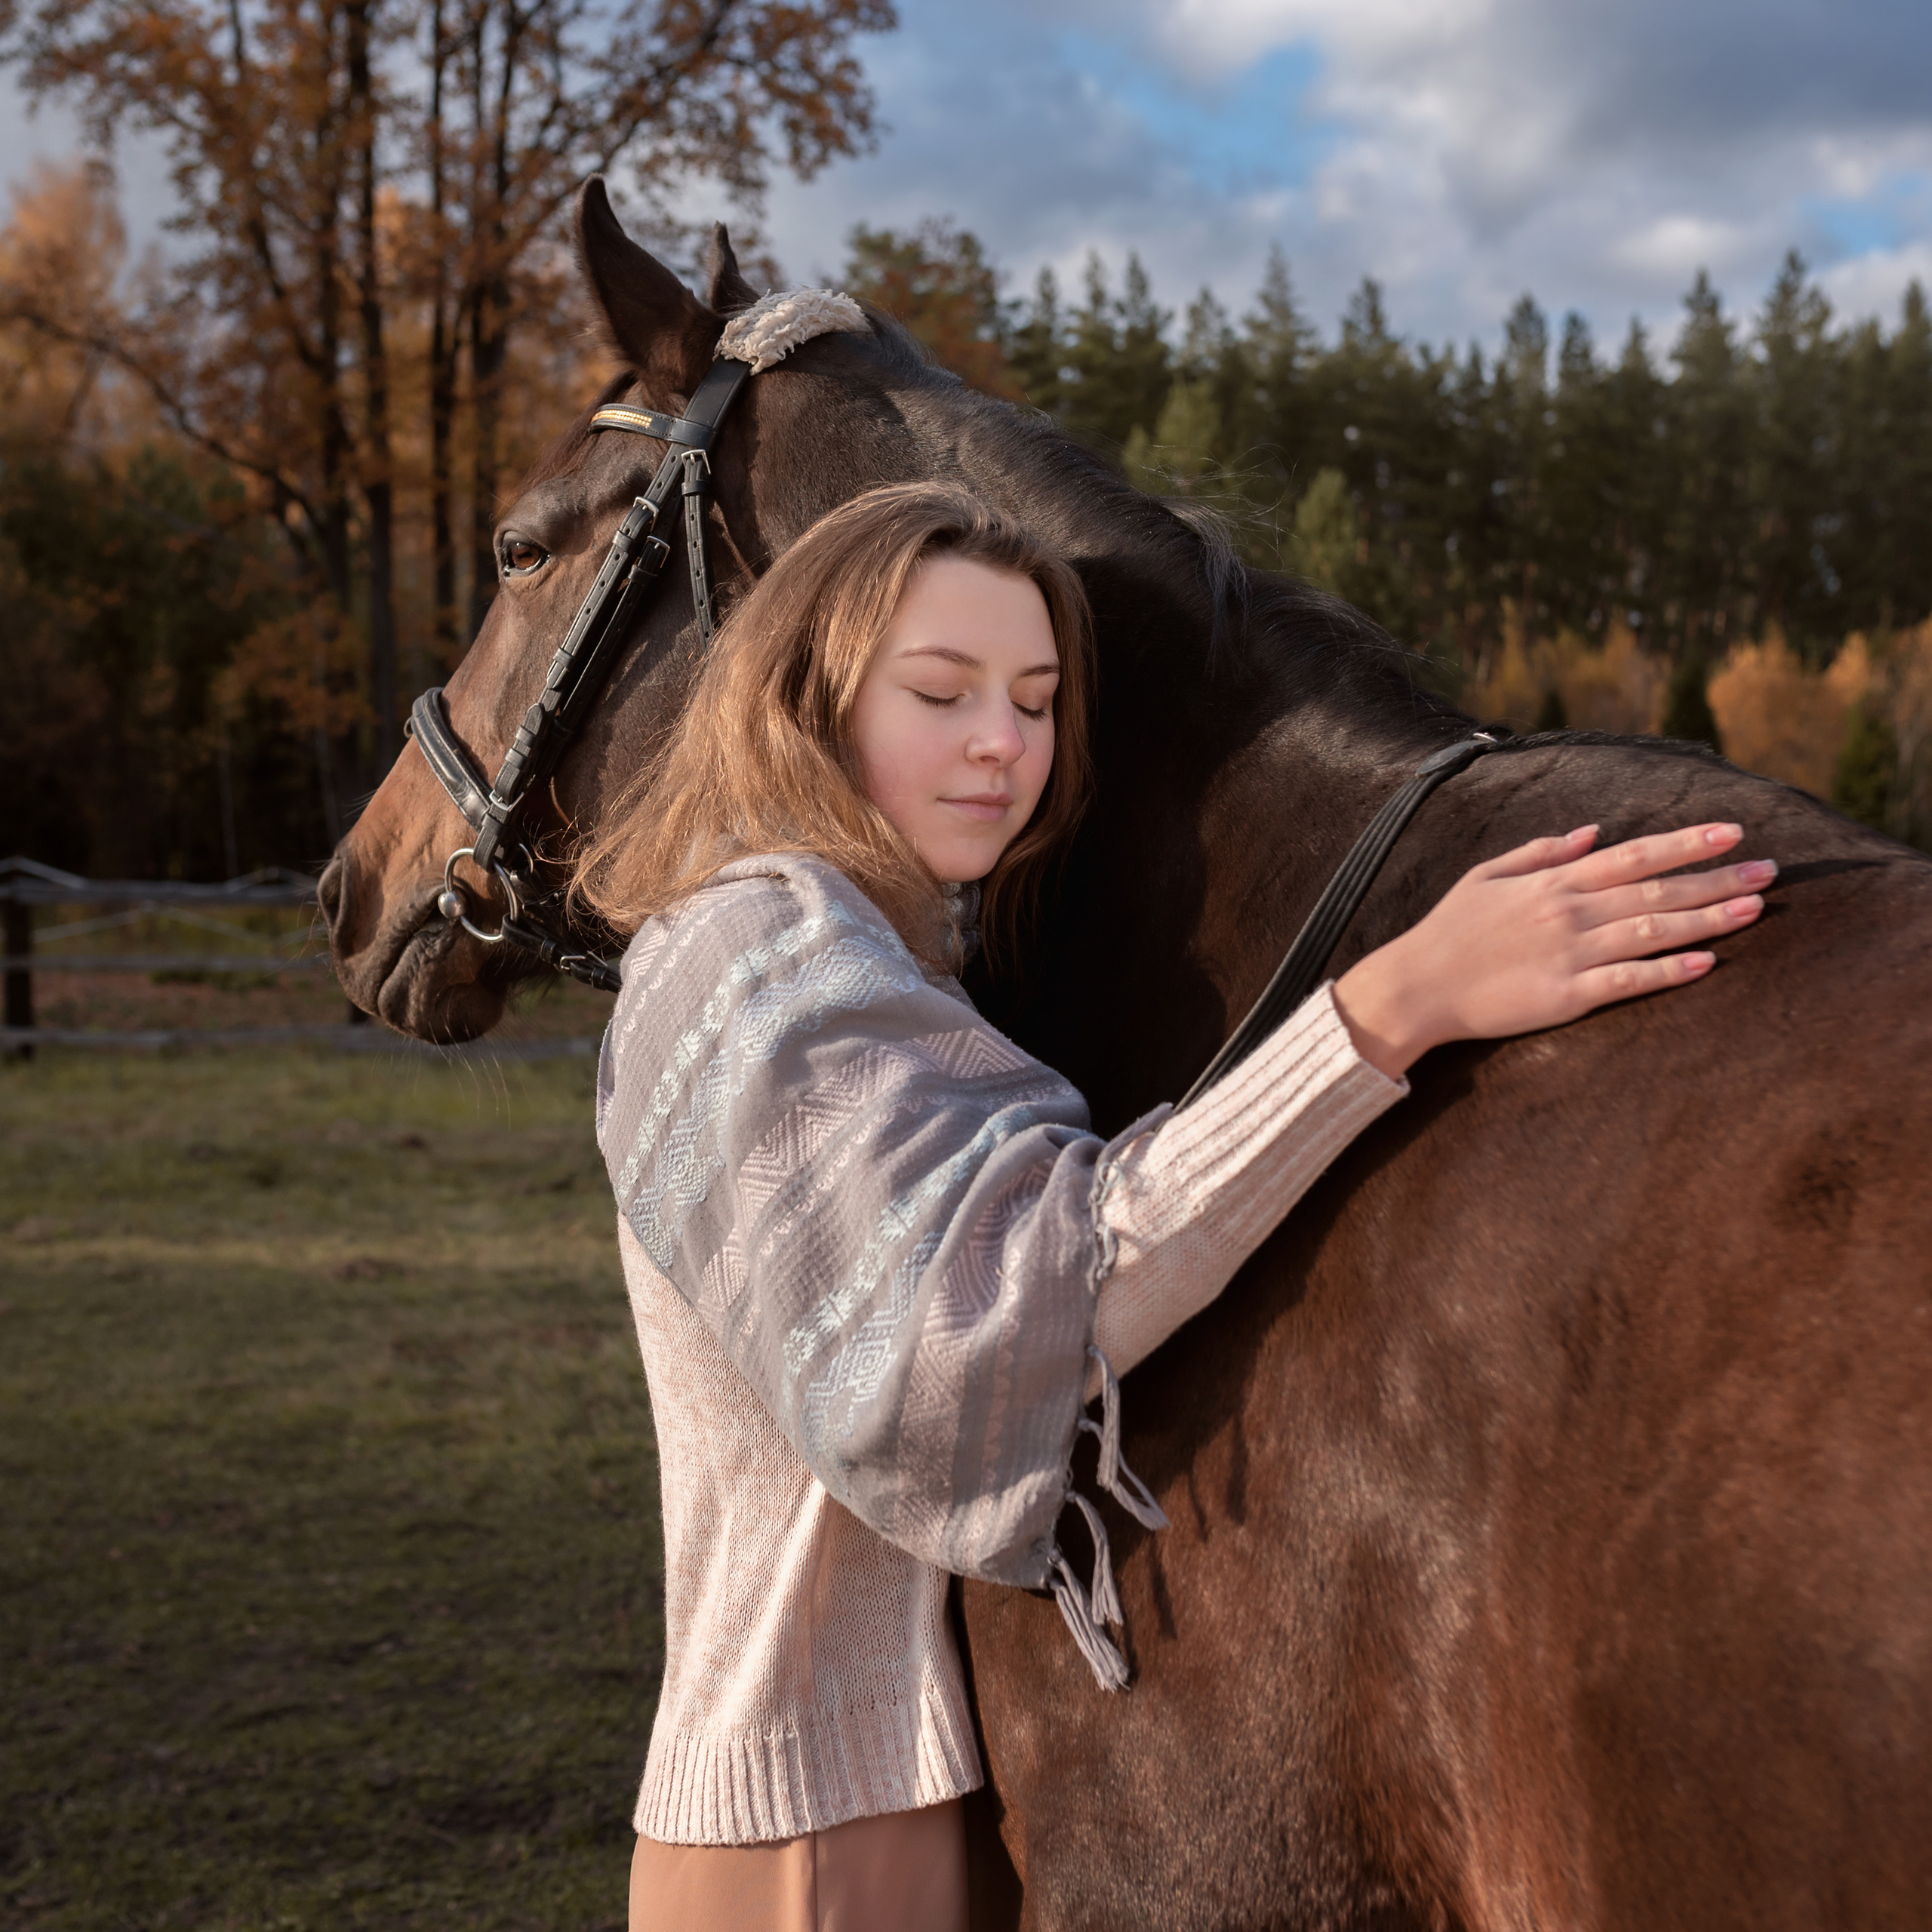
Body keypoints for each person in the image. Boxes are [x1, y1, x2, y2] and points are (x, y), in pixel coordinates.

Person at [574, 481, 1774, 1932]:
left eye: (1035, 697)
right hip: (813, 1834)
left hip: (899, 1791)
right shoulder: (750, 955)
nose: (1003, 743)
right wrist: (1397, 1003)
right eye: (940, 692)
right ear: (804, 701)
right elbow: (972, 1339)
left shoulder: (884, 960)